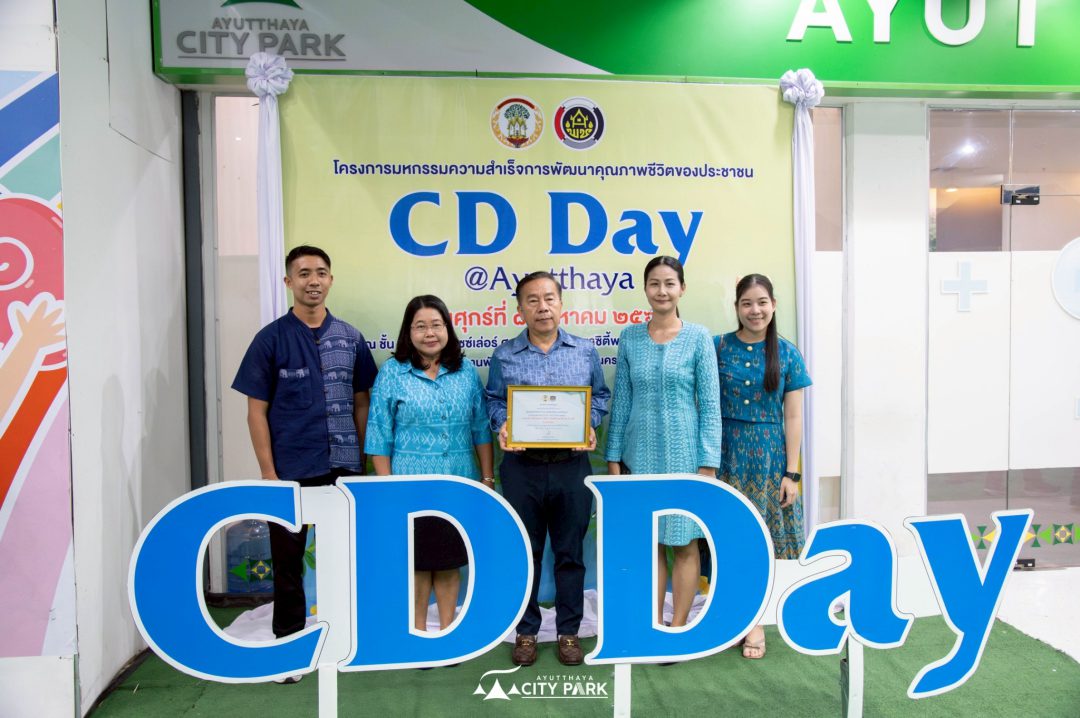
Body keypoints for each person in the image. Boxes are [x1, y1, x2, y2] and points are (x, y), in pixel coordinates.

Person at [232, 245, 377, 682]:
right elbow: (256, 412)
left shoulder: (350, 338)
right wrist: (268, 473)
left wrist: (361, 462)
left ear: (330, 279)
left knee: (344, 558)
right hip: (289, 471)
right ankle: (290, 647)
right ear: (288, 281)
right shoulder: (270, 339)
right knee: (288, 563)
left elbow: (362, 402)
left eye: (321, 273)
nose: (313, 280)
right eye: (303, 273)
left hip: (343, 469)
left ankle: (342, 642)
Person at [485, 271, 610, 667]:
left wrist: (590, 423)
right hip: (522, 468)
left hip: (572, 467)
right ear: (520, 308)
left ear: (561, 303)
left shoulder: (584, 351)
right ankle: (526, 631)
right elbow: (493, 400)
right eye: (533, 300)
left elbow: (600, 397)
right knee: (527, 553)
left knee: (570, 553)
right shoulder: (504, 355)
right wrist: (502, 424)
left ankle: (569, 631)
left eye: (549, 298)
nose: (542, 307)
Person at [605, 256, 722, 629]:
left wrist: (708, 464)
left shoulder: (698, 337)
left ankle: (679, 624)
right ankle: (653, 623)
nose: (662, 291)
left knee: (685, 542)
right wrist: (613, 457)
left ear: (682, 288)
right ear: (645, 289)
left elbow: (711, 406)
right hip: (639, 457)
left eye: (670, 283)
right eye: (654, 283)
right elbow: (622, 401)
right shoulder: (630, 338)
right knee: (650, 541)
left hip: (686, 457)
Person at [365, 295, 494, 633]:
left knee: (450, 562)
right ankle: (419, 633)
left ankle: (448, 632)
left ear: (448, 328)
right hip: (410, 487)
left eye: (436, 325)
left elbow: (481, 428)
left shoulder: (465, 371)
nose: (430, 333)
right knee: (418, 564)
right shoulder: (393, 372)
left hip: (459, 483)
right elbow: (379, 434)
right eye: (420, 326)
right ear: (408, 332)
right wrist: (388, 487)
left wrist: (487, 479)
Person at [716, 273, 811, 659]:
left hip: (770, 458)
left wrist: (792, 472)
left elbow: (794, 417)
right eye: (747, 303)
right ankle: (732, 615)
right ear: (737, 307)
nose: (755, 310)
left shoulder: (787, 353)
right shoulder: (718, 346)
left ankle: (756, 622)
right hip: (726, 454)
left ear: (773, 305)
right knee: (729, 539)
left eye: (762, 302)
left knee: (763, 541)